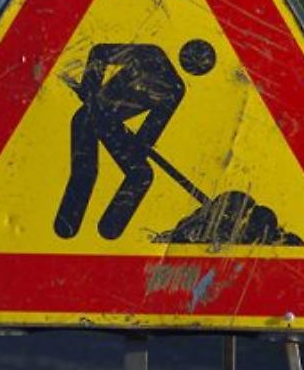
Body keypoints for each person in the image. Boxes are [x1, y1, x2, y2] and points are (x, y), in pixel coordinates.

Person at [55, 39, 215, 240]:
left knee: (141, 173)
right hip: (87, 117)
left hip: (110, 125)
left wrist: (136, 148)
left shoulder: (175, 91)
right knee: (85, 171)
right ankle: (66, 227)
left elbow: (148, 135)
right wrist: (90, 90)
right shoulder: (151, 56)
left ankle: (109, 231)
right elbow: (100, 52)